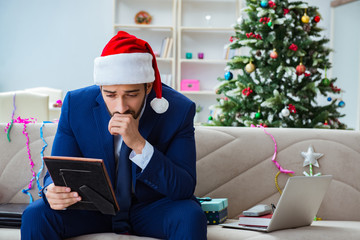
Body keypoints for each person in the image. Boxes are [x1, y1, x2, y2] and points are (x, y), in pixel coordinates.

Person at [21, 31, 207, 240]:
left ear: (147, 87)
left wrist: (139, 144)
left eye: (131, 94)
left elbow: (183, 188)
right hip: (92, 208)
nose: (120, 107)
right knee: (36, 215)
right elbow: (57, 171)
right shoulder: (76, 104)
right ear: (100, 88)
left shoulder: (179, 109)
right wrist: (51, 191)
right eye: (110, 95)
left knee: (191, 216)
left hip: (151, 209)